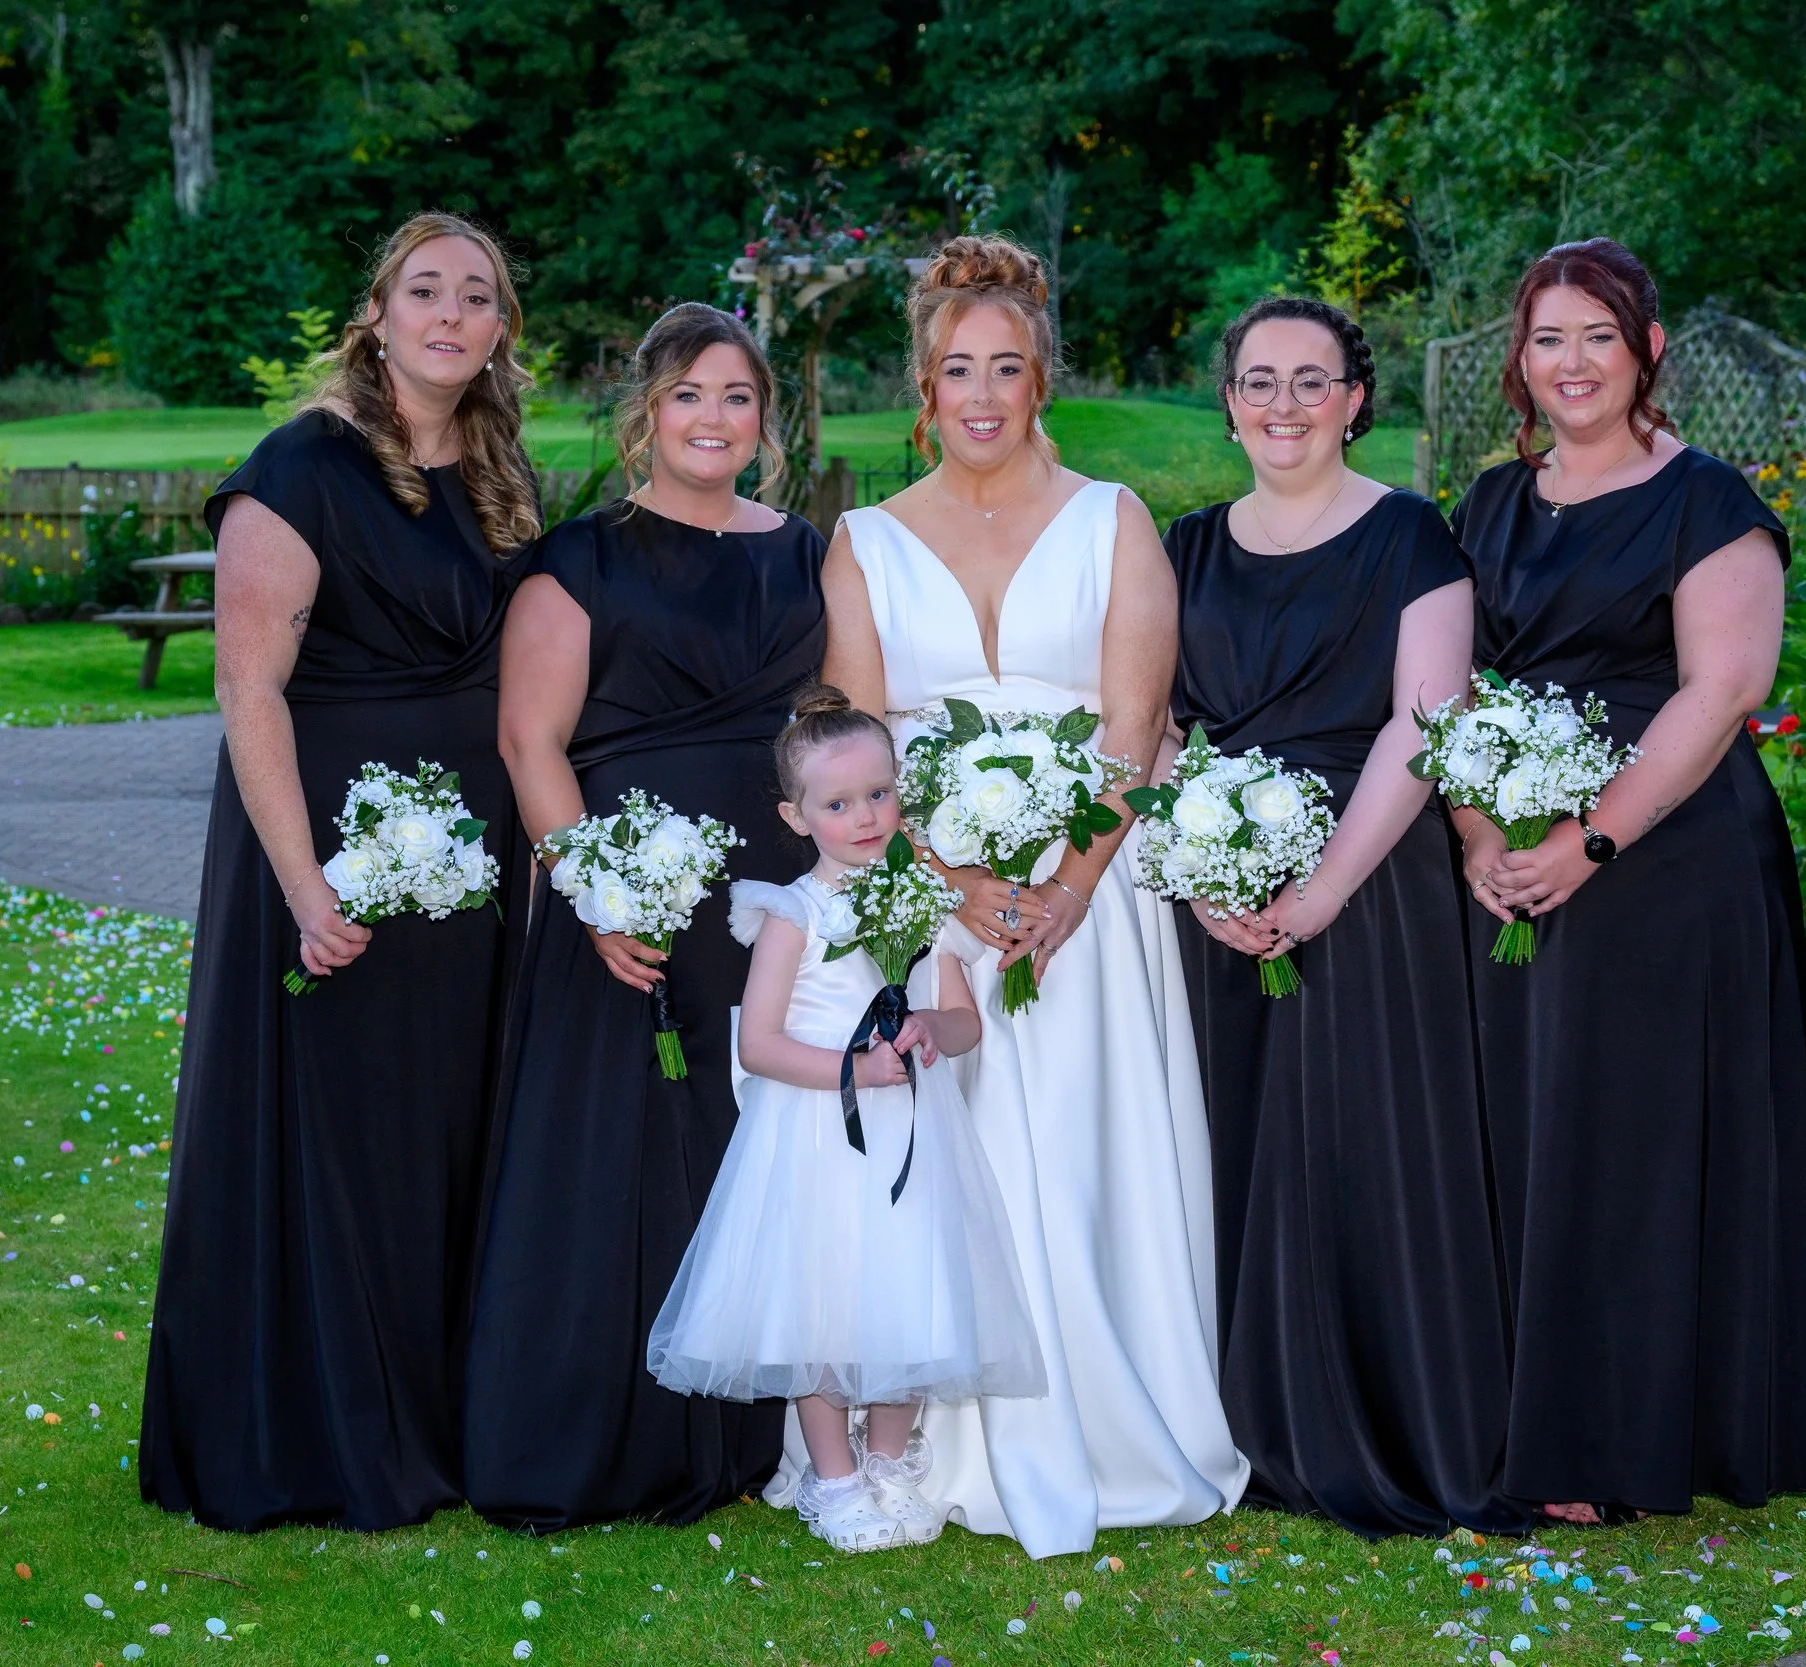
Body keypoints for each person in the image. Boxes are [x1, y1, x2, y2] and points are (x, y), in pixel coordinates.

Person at [803, 235, 1248, 1559]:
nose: (983, 392)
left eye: (1008, 366)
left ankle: (1114, 1412)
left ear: (1043, 377)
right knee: (949, 1161)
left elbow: (1134, 721)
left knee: (1086, 1145)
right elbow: (856, 738)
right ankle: (915, 1440)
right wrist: (960, 880)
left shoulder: (1114, 518)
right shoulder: (866, 542)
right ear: (924, 389)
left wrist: (1063, 889)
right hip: (933, 887)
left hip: (1091, 903)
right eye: (957, 369)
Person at [141, 212, 539, 1532]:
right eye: (424, 290)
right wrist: (309, 887)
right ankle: (325, 1431)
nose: (450, 313)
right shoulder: (300, 469)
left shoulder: (495, 470)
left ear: (498, 330)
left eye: (476, 296)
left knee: (449, 1130)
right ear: (374, 315)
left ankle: (441, 1417)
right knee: (346, 1139)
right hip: (336, 856)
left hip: (467, 868)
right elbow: (248, 687)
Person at [1449, 237, 1806, 1522]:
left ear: (1648, 351)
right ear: (1519, 357)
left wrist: (1591, 839)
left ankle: (1624, 1439)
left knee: (1639, 1142)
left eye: (1598, 337)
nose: (1570, 364)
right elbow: (1446, 689)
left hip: (1670, 864)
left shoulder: (1707, 501)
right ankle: (1530, 1410)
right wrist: (1475, 831)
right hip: (1516, 850)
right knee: (1535, 1134)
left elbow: (1722, 688)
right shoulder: (1487, 505)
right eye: (1547, 338)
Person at [1163, 295, 1528, 1538]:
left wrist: (1321, 887)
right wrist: (1201, 869)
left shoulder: (1414, 538)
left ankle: (1392, 1422)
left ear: (1356, 398)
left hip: (1370, 887)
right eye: (1258, 381)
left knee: (1364, 1149)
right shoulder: (1182, 549)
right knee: (1228, 1147)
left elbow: (1421, 725)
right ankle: (1243, 1422)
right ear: (1227, 401)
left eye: (1310, 381)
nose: (1282, 405)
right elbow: (1154, 730)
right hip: (1214, 882)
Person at [463, 302, 824, 1529]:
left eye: (736, 396)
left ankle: (743, 1432)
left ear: (764, 419)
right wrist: (596, 893)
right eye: (688, 395)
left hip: (771, 898)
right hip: (634, 891)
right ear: (644, 414)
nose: (713, 418)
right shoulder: (582, 557)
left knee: (749, 1142)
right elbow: (530, 738)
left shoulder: (804, 551)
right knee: (615, 1152)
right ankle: (597, 1428)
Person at [647, 688, 1044, 1553]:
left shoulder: (927, 903)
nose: (865, 817)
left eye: (880, 794)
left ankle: (891, 1457)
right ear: (797, 815)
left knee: (910, 1291)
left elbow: (965, 1018)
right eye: (838, 804)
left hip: (913, 1138)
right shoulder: (792, 913)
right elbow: (757, 1044)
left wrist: (929, 1031)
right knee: (820, 1302)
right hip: (818, 1139)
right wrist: (851, 1068)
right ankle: (831, 1475)